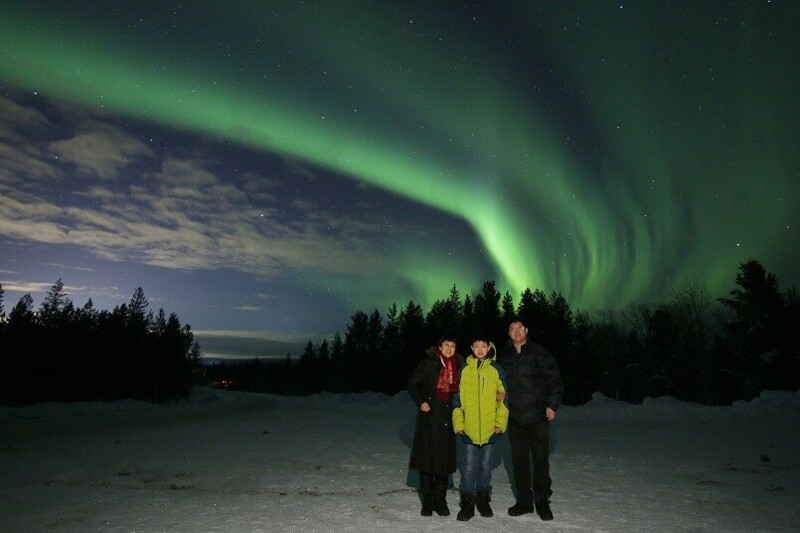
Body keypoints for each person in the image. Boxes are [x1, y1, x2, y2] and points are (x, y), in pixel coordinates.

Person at [497, 317, 563, 521]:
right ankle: (524, 502)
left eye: (520, 328)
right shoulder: (505, 356)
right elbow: (500, 382)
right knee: (519, 462)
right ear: (509, 334)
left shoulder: (539, 353)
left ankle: (542, 501)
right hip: (515, 417)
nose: (516, 331)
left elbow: (554, 380)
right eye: (512, 329)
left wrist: (552, 405)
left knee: (540, 461)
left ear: (526, 330)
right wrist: (500, 395)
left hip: (537, 416)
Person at [452, 334, 509, 521]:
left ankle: (483, 500)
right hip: (469, 429)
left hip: (489, 429)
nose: (480, 349)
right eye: (476, 346)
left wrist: (500, 424)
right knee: (468, 467)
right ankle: (467, 504)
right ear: (471, 347)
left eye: (483, 346)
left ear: (488, 348)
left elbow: (503, 399)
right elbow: (456, 400)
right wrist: (459, 424)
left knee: (485, 467)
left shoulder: (496, 370)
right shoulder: (465, 369)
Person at [407, 334, 464, 517]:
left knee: (442, 463)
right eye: (446, 345)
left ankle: (440, 500)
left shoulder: (459, 366)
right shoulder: (428, 364)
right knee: (427, 463)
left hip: (447, 421)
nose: (449, 349)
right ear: (440, 347)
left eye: (452, 346)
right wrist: (421, 401)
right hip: (429, 420)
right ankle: (427, 502)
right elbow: (412, 384)